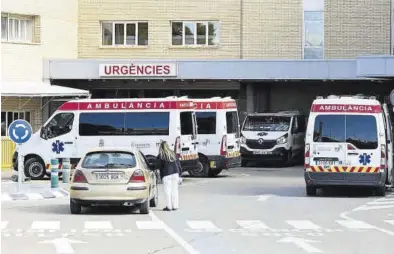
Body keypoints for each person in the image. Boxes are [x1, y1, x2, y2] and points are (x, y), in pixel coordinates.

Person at [156, 141, 181, 211]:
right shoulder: (173, 153)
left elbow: (158, 166)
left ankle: (169, 206)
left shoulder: (161, 155)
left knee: (167, 191)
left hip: (166, 174)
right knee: (175, 190)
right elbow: (178, 164)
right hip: (175, 173)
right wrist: (180, 173)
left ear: (161, 147)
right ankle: (175, 206)